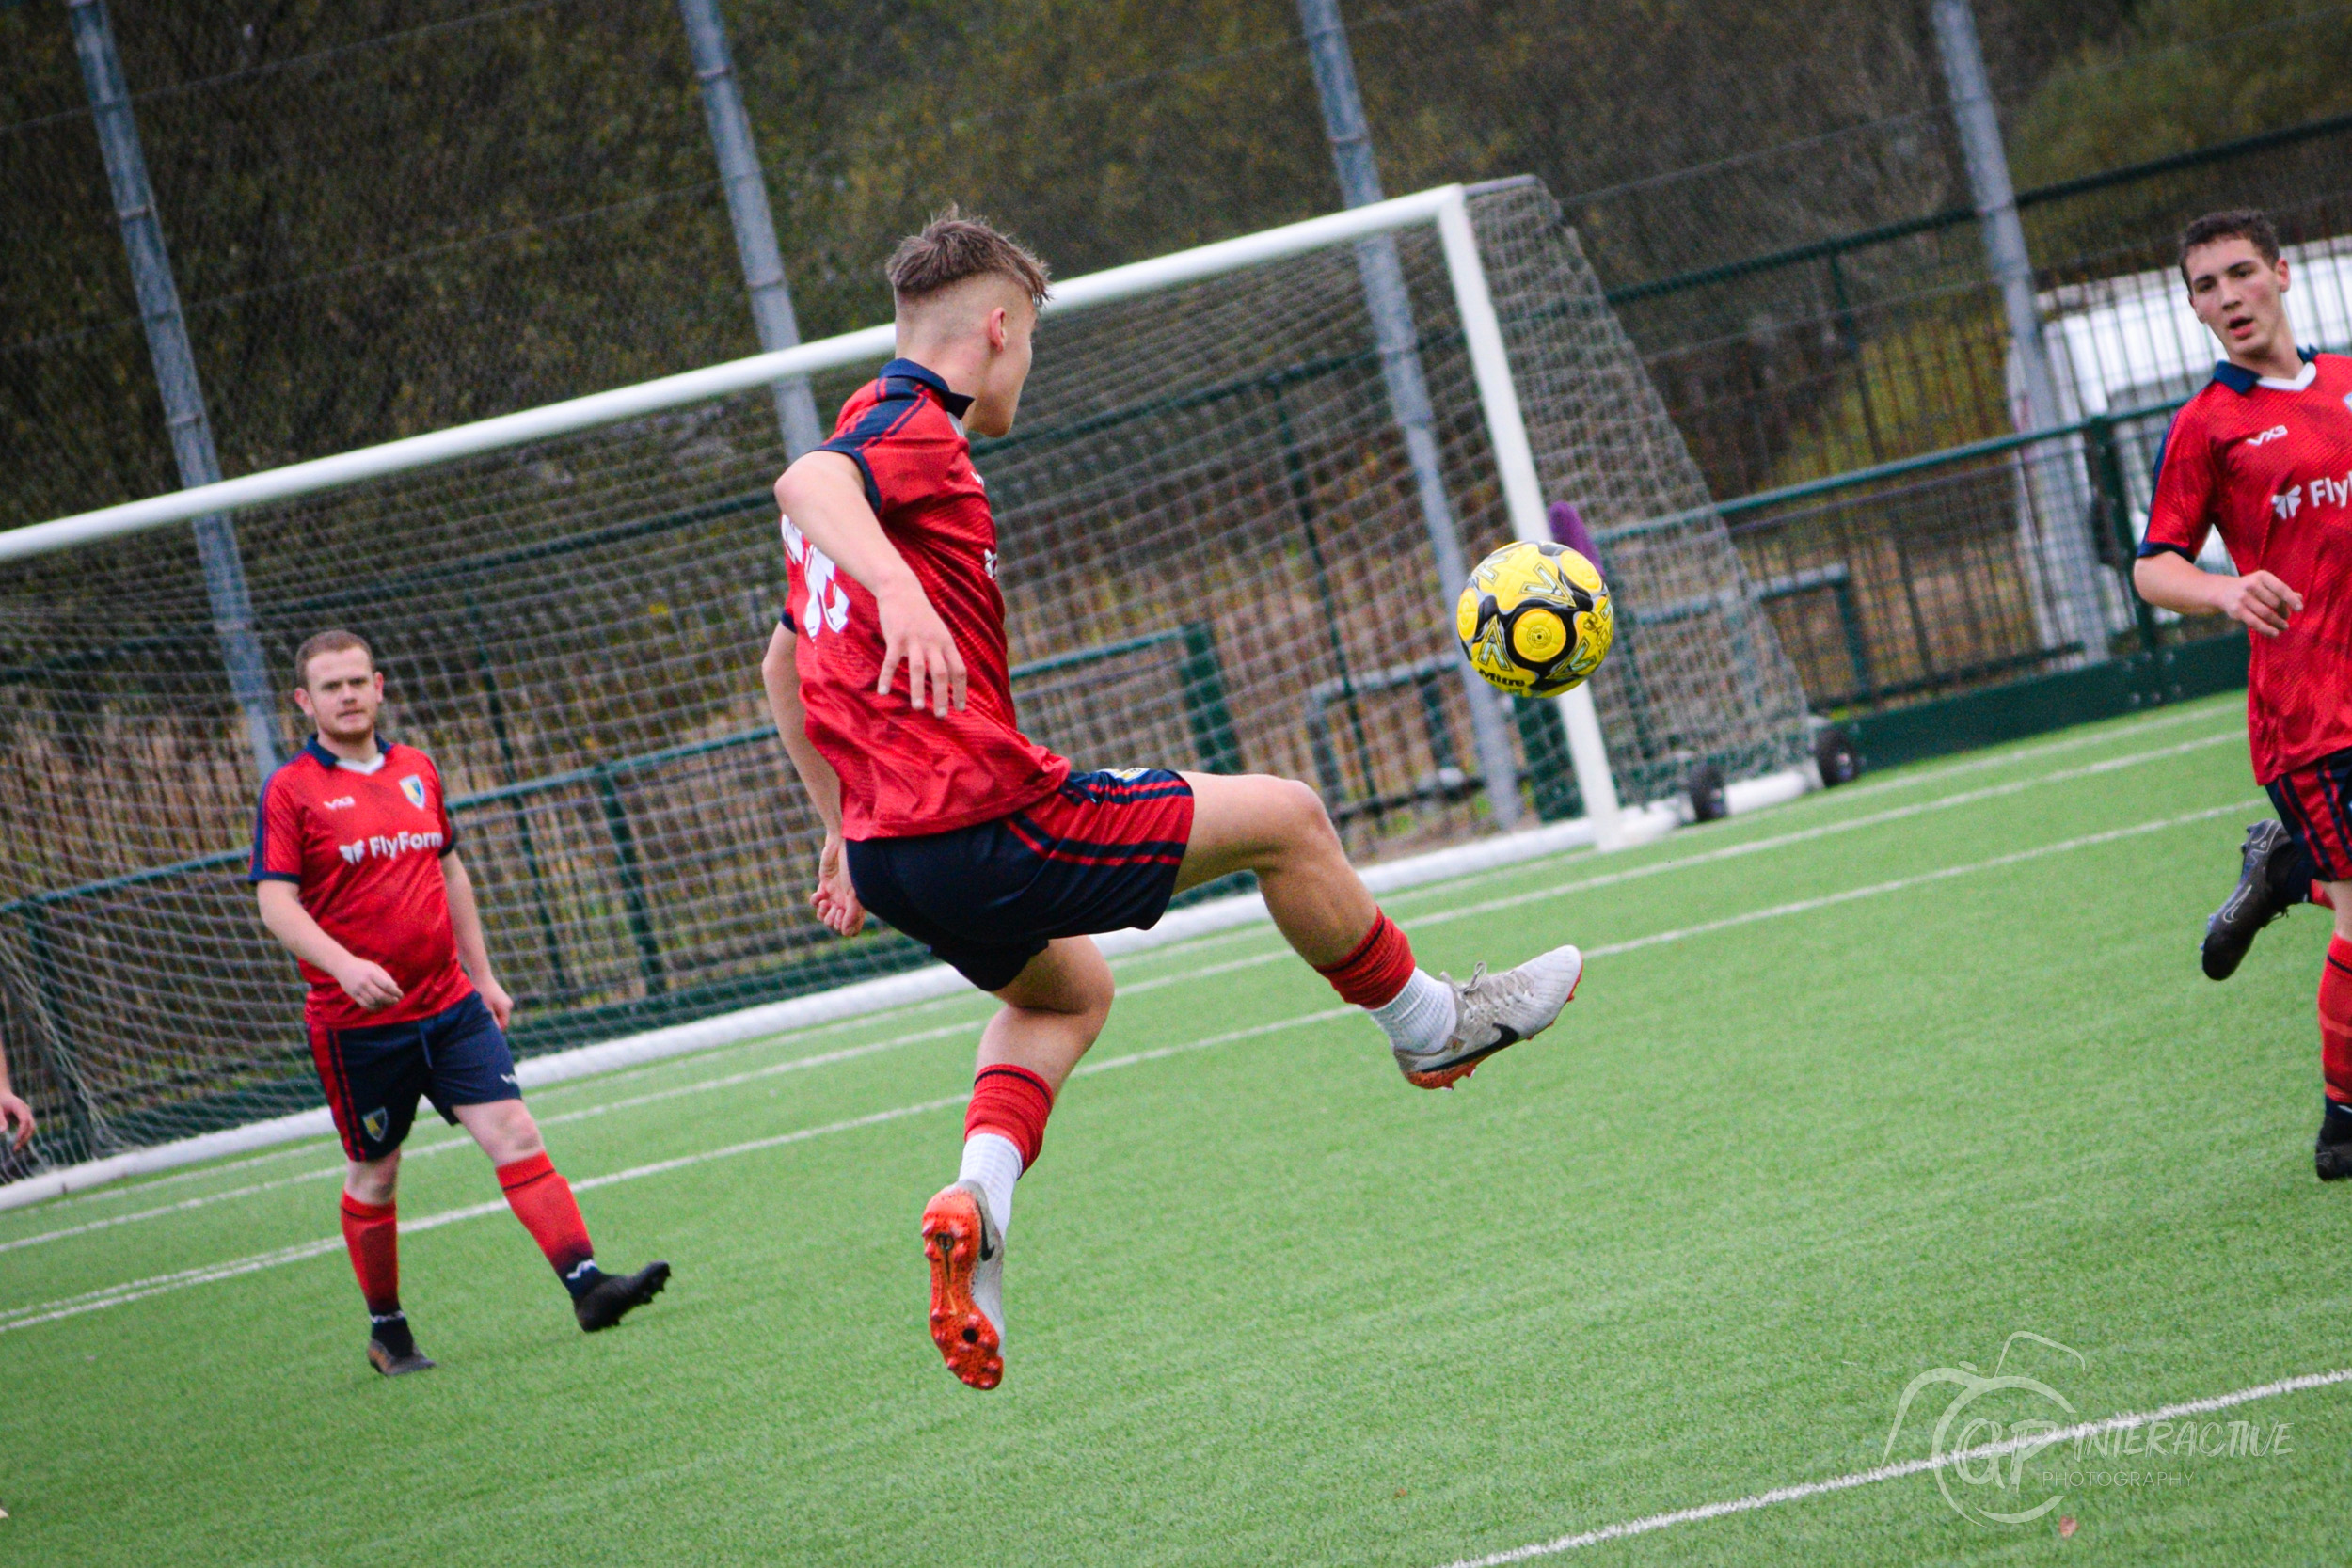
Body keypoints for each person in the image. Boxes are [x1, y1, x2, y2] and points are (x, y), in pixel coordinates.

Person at [760, 211, 1584, 1391]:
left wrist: (837, 820)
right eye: (1030, 338)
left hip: (896, 850)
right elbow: (803, 481)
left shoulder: (869, 433)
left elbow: (783, 665)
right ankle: (1428, 1025)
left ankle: (978, 1207)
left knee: (1066, 992)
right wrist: (896, 587)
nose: (1026, 363)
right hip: (984, 821)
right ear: (997, 328)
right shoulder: (905, 437)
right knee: (1290, 818)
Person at [252, 630, 669, 1375]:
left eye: (358, 681)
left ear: (379, 686)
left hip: (449, 1004)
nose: (348, 695)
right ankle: (389, 1331)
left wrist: (484, 973)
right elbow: (275, 902)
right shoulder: (291, 790)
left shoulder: (418, 769)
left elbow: (450, 871)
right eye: (331, 686)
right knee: (377, 1173)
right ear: (304, 701)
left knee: (513, 1129)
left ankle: (587, 1284)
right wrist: (345, 966)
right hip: (359, 1028)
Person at [2132, 208, 2352, 1178]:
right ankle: (2341, 1127)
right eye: (2203, 286)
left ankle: (2278, 874)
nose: (2225, 297)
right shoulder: (2207, 425)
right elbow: (2153, 567)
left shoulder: (2346, 384)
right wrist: (2223, 588)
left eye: (2237, 274)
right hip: (2307, 711)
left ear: (2282, 275)